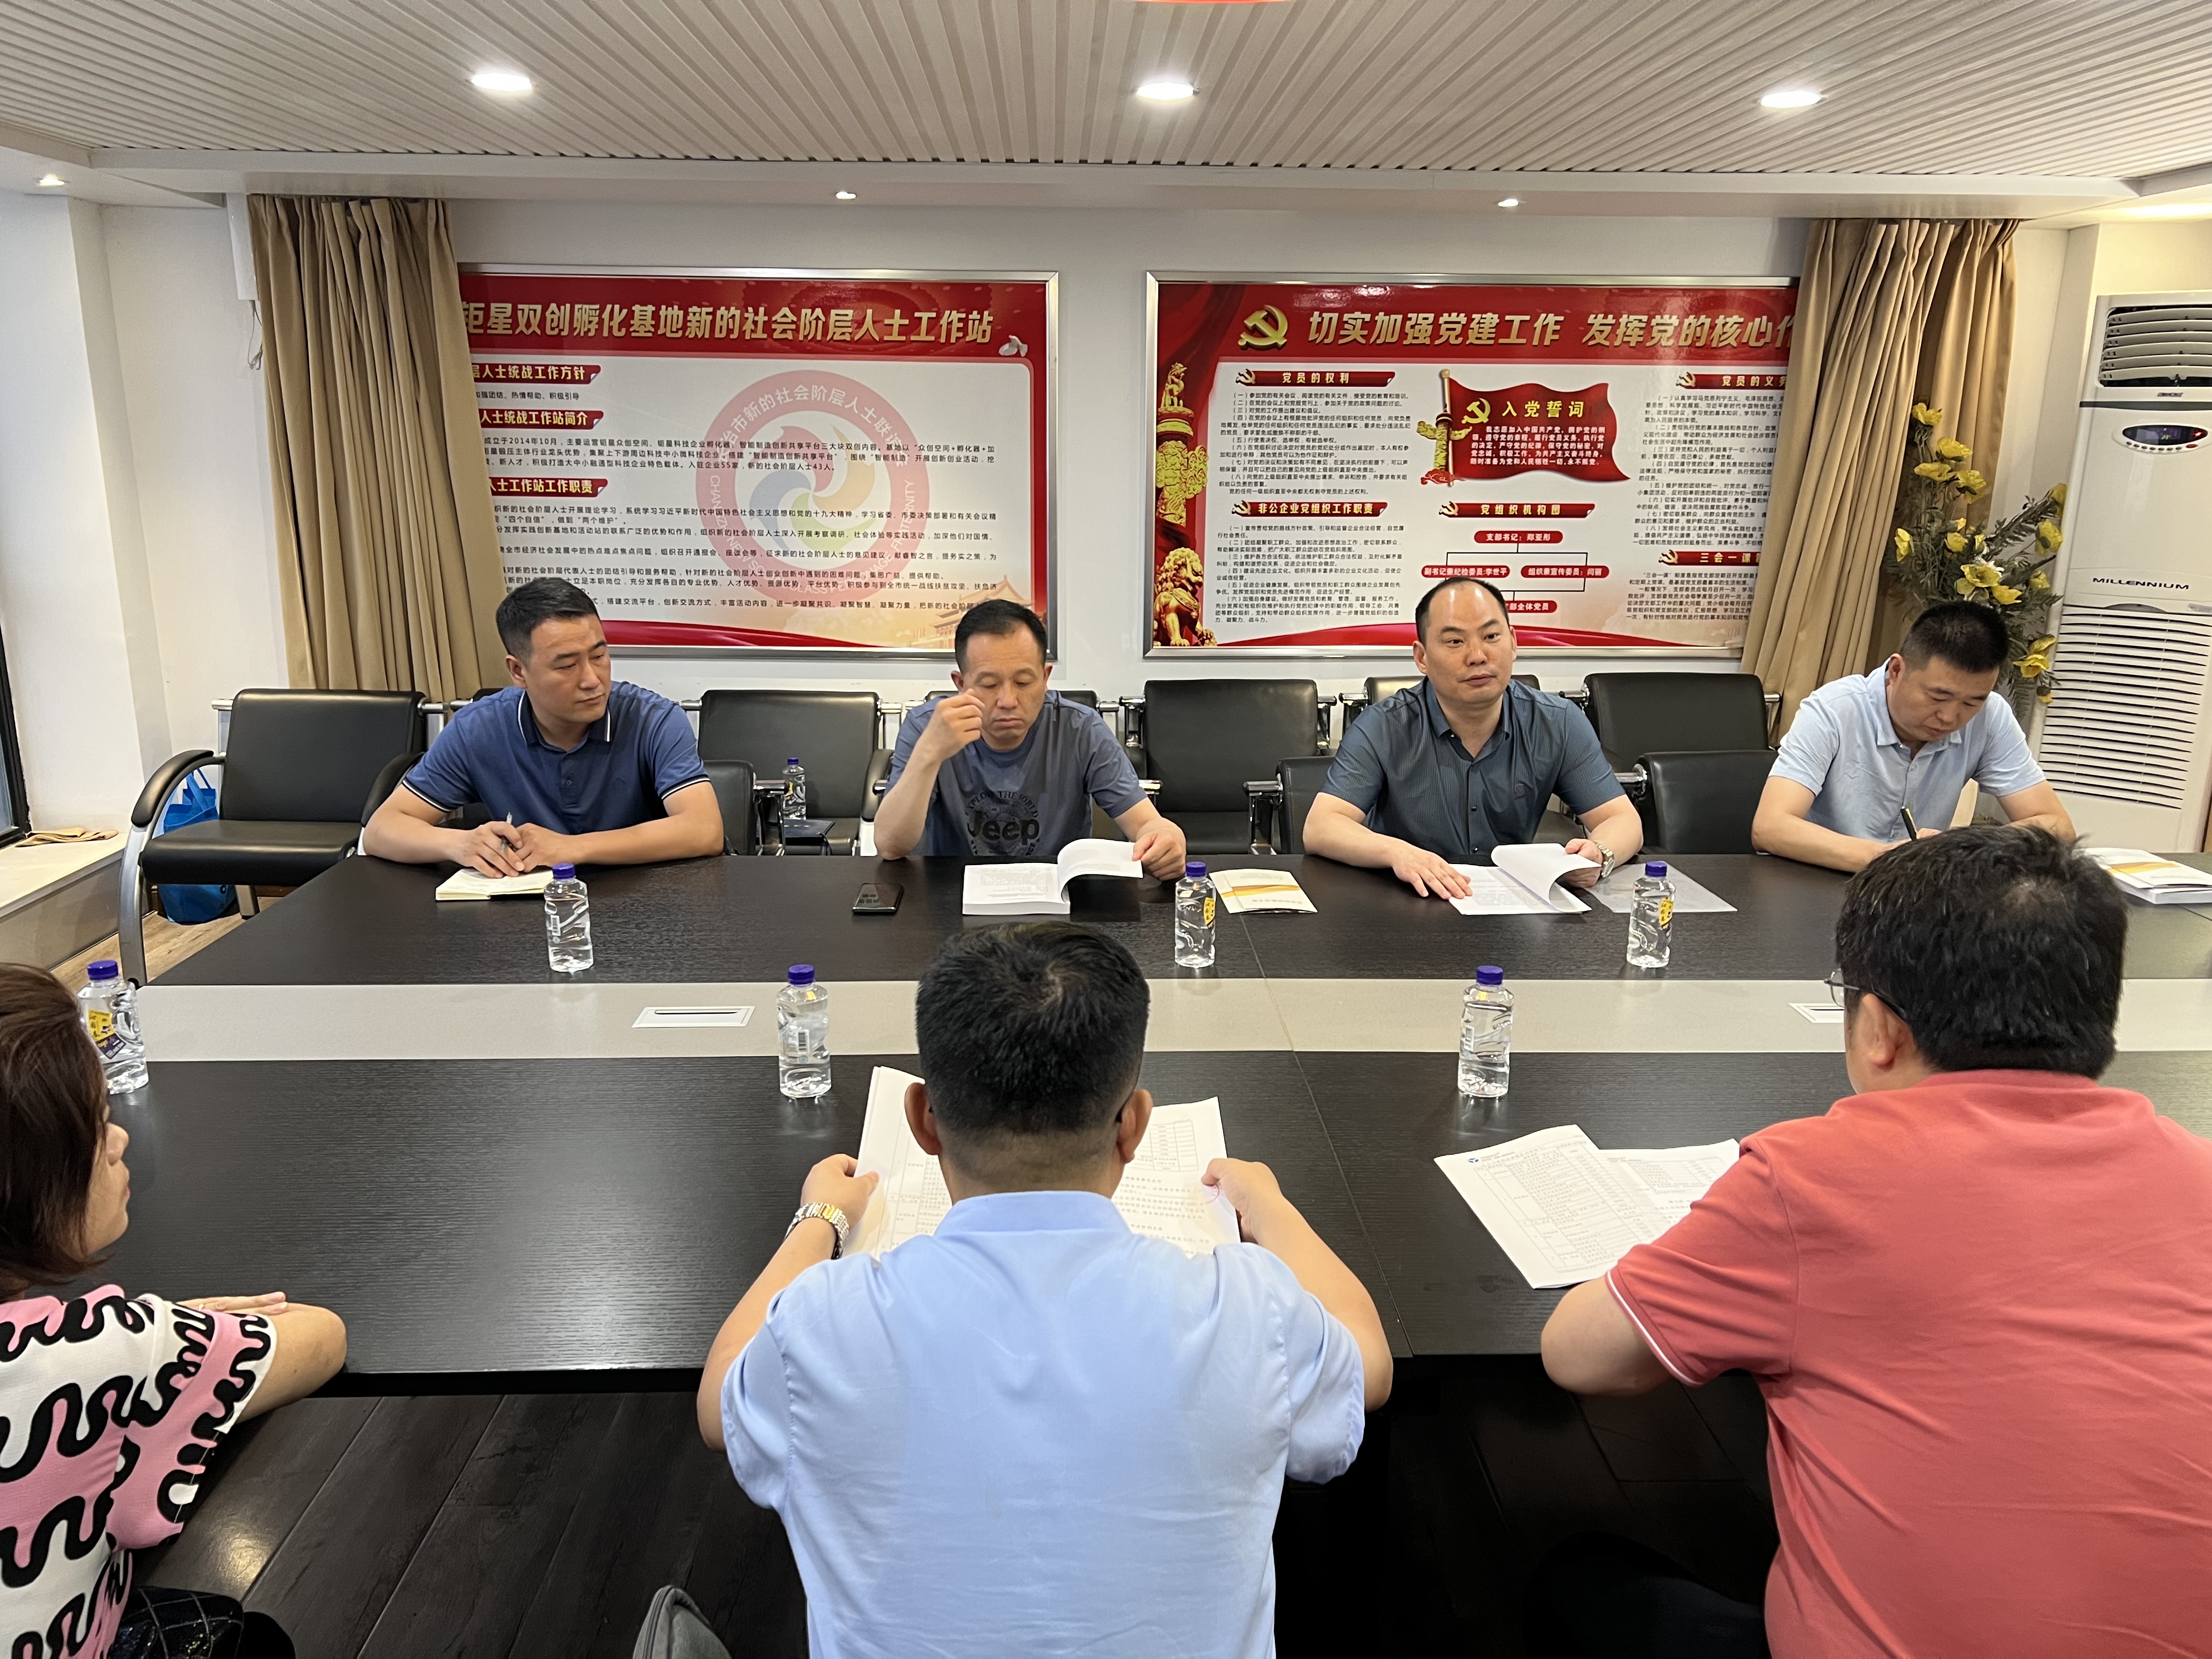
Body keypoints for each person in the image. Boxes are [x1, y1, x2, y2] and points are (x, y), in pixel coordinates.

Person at [1536, 827, 2212, 1658]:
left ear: (1880, 1028)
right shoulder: (2200, 1174)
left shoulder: (1815, 1178)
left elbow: (1582, 1358)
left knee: (1581, 1578)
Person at [697, 923, 1391, 1658]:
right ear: (1134, 1125)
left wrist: (821, 1219)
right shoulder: (1248, 1312)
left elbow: (720, 1399)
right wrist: (1270, 1208)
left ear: (925, 1120)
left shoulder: (822, 1327)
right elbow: (1368, 1360)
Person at [0, 965, 347, 1658]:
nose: (120, 1140)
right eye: (95, 1127)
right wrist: (168, 1342)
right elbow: (323, 1337)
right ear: (31, 1182)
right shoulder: (91, 1354)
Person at [1302, 577, 1643, 898]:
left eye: (1491, 636)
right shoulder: (1384, 726)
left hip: (1512, 903)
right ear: (1422, 657)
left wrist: (1600, 854)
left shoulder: (1559, 722)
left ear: (1513, 643)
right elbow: (1322, 826)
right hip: (1408, 898)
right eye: (1455, 641)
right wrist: (1399, 853)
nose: (1477, 655)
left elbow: (1621, 819)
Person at [363, 578, 722, 875]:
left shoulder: (654, 720)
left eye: (599, 656)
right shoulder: (479, 729)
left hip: (643, 899)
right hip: (529, 909)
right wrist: (460, 844)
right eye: (567, 665)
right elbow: (382, 829)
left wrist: (572, 847)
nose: (592, 680)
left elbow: (704, 830)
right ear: (518, 671)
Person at [1752, 600, 2074, 873]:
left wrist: (1963, 846)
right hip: (1821, 878)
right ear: (1897, 671)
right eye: (1937, 697)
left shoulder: (1991, 716)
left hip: (1917, 894)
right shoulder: (1834, 710)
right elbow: (1771, 826)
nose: (1950, 717)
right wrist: (1889, 858)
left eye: (1972, 703)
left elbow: (2057, 826)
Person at [874, 599, 1189, 877]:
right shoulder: (928, 728)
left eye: (1024, 682)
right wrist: (929, 755)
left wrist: (1167, 839)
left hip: (1056, 898)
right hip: (953, 896)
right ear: (961, 684)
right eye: (989, 684)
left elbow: (1147, 824)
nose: (1008, 700)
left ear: (1045, 678)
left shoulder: (1080, 729)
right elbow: (890, 845)